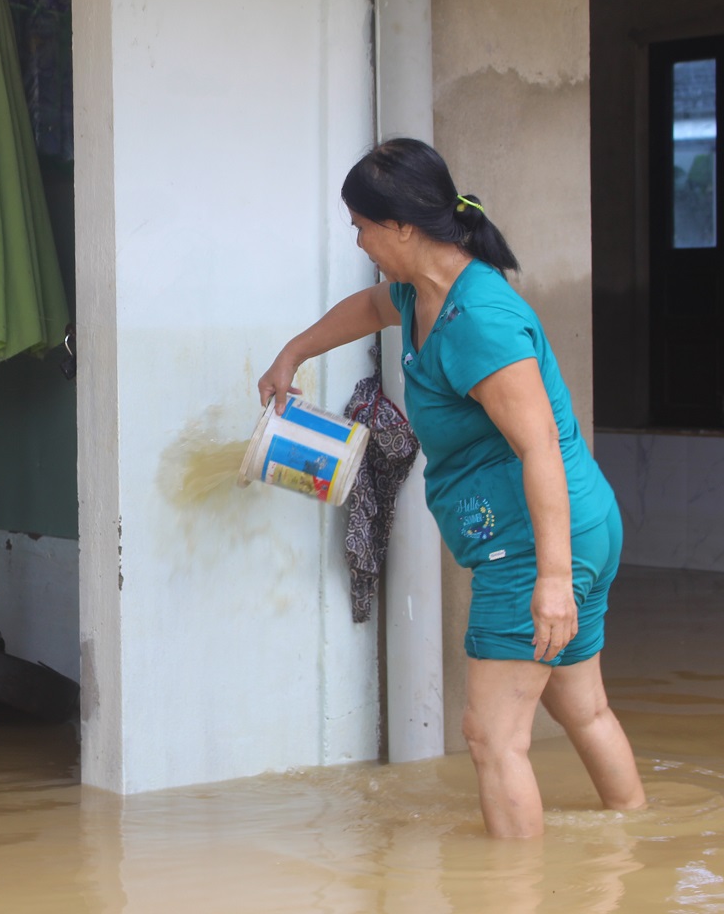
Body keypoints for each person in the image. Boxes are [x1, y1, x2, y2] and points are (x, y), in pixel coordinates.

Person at [257, 138, 645, 838]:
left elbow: (542, 450)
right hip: (573, 527)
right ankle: (634, 840)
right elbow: (370, 307)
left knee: (492, 738)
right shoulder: (421, 293)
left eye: (362, 227)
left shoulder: (481, 325)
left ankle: (512, 892)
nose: (359, 240)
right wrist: (292, 353)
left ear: (402, 225)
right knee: (581, 711)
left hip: (535, 542)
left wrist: (553, 578)